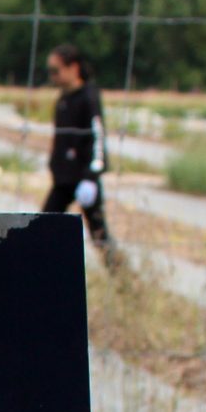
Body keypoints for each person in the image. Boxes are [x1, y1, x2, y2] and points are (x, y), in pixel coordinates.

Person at [41, 43, 121, 267]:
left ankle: (119, 275)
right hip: (63, 180)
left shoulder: (89, 97)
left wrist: (92, 175)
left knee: (98, 233)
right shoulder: (63, 101)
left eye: (56, 70)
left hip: (84, 178)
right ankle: (41, 270)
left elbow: (97, 137)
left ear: (73, 67)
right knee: (43, 226)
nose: (53, 77)